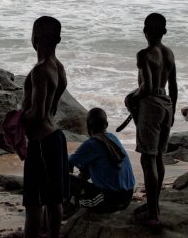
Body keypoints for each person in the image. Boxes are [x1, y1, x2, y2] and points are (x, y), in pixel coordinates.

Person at [127, 13, 177, 225]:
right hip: (166, 103)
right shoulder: (169, 53)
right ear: (164, 32)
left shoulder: (144, 54)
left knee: (148, 159)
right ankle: (154, 205)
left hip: (151, 104)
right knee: (159, 157)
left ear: (145, 30)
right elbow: (173, 86)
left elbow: (146, 87)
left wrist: (131, 98)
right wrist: (172, 110)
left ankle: (153, 214)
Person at [21, 16, 68, 238]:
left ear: (35, 38)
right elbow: (52, 110)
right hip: (56, 138)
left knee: (34, 203)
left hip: (40, 143)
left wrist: (17, 119)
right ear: (58, 39)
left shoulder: (40, 70)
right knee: (53, 200)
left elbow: (38, 114)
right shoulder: (58, 68)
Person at [68, 108, 135, 213]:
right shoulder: (113, 138)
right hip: (128, 195)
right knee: (89, 164)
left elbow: (67, 163)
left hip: (111, 200)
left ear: (88, 126)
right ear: (107, 125)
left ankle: (71, 206)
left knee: (65, 178)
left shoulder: (91, 144)